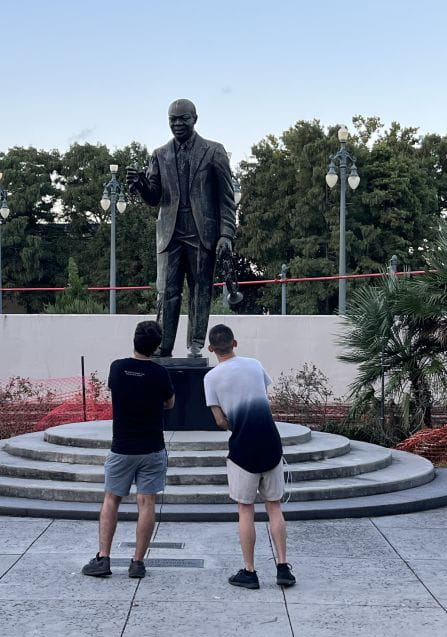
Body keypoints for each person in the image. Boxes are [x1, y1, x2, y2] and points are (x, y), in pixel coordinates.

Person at [127, 98, 237, 358]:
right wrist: (141, 185)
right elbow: (155, 198)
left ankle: (196, 344)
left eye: (183, 118)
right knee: (168, 291)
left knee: (200, 290)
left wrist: (226, 234)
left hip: (202, 233)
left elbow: (226, 198)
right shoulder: (160, 154)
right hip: (171, 233)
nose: (177, 123)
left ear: (195, 119)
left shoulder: (214, 151)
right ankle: (164, 345)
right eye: (172, 119)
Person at [203, 324, 296, 589]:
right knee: (274, 506)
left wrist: (232, 423)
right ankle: (283, 567)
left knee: (245, 509)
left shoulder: (211, 378)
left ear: (210, 348)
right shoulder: (255, 365)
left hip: (242, 446)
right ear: (235, 343)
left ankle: (250, 571)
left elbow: (219, 420)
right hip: (270, 442)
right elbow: (265, 396)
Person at [82, 321, 175, 579]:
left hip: (122, 447)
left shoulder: (118, 367)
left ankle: (103, 558)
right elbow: (169, 403)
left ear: (134, 340)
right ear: (157, 346)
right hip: (152, 447)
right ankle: (137, 562)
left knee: (111, 499)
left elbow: (114, 389)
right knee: (147, 502)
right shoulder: (160, 373)